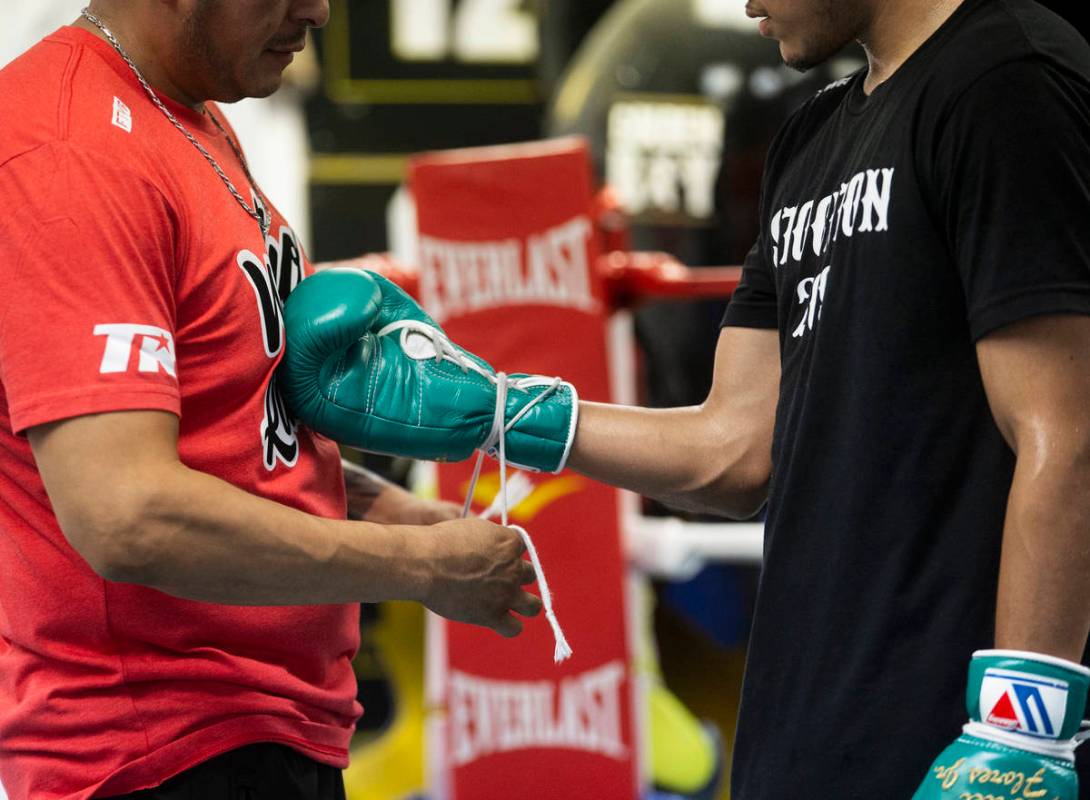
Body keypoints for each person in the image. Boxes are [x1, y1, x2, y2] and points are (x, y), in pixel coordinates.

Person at [281, 0, 1090, 796]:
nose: (745, 3)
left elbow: (1068, 432)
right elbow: (733, 448)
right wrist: (495, 407)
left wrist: (1019, 737)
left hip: (954, 736)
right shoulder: (814, 138)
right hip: (806, 726)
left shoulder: (1007, 78)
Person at [0, 2, 545, 799]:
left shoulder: (190, 119)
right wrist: (420, 567)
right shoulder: (68, 149)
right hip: (158, 747)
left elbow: (231, 436)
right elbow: (127, 513)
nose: (318, 10)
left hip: (261, 731)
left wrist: (385, 511)